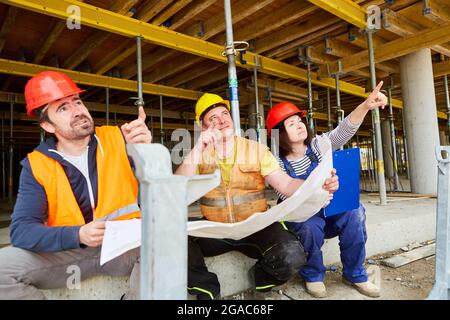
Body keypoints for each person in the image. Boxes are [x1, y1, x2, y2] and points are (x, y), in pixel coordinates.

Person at [0, 71, 152, 299]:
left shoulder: (118, 138)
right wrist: (77, 235)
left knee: (167, 240)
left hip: (124, 248)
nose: (78, 111)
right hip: (70, 253)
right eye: (63, 108)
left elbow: (161, 187)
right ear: (47, 125)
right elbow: (21, 232)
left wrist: (147, 150)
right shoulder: (36, 165)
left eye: (77, 102)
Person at [175, 93, 339, 299]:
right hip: (215, 229)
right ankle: (205, 287)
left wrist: (317, 185)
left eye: (224, 113)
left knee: (292, 255)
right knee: (169, 234)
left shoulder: (256, 149)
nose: (221, 120)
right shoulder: (197, 155)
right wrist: (198, 148)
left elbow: (287, 184)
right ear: (203, 126)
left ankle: (262, 279)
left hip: (255, 226)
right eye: (212, 118)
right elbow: (175, 191)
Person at [265, 81, 387, 298]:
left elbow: (345, 129)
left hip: (331, 208)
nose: (299, 124)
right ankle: (312, 275)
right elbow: (286, 194)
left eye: (299, 120)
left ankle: (355, 273)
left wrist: (366, 106)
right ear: (279, 134)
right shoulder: (276, 161)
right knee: (308, 228)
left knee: (354, 213)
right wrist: (317, 187)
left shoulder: (320, 145)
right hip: (304, 215)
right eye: (291, 124)